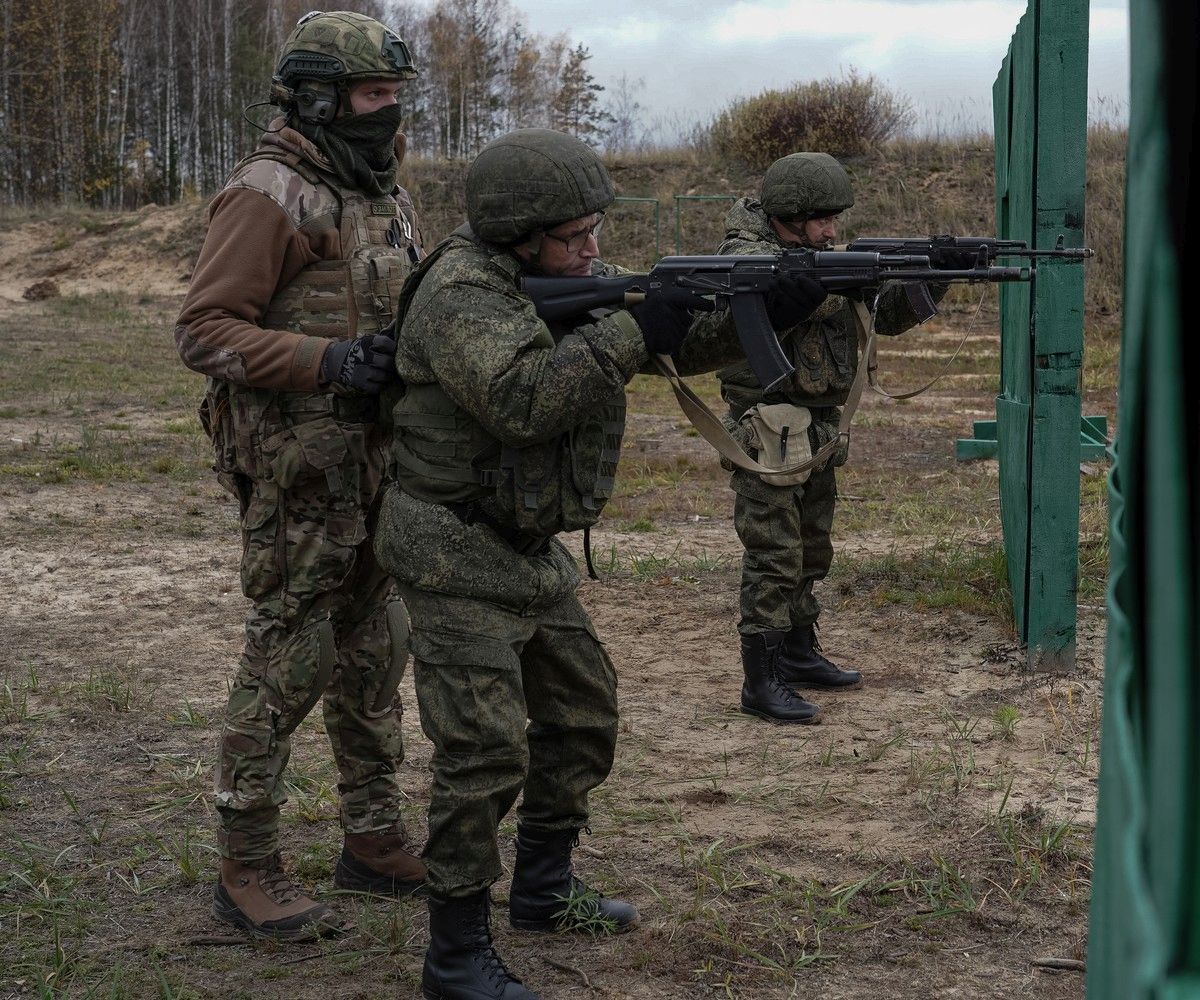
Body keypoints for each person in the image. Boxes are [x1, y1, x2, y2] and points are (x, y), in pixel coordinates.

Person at [375, 127, 823, 1000]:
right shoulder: (462, 294)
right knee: (482, 752)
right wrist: (628, 329)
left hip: (523, 553)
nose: (593, 249)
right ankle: (455, 955)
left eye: (596, 231)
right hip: (451, 553)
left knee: (584, 713)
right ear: (519, 233)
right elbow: (526, 399)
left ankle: (542, 889)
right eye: (575, 236)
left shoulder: (552, 283)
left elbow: (666, 345)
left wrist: (775, 310)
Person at [175, 10, 426, 940]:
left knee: (374, 651)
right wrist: (325, 363)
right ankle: (246, 864)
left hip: (376, 464)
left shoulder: (384, 192)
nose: (388, 113)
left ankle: (372, 840)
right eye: (373, 95)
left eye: (397, 95)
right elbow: (204, 330)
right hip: (297, 473)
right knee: (289, 656)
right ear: (318, 99)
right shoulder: (269, 192)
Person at [716, 152, 947, 725]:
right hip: (767, 427)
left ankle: (797, 652)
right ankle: (760, 681)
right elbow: (755, 306)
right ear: (787, 215)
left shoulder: (823, 257)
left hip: (819, 428)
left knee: (812, 547)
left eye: (835, 218)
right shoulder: (745, 255)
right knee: (774, 554)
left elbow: (883, 315)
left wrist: (933, 275)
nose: (831, 230)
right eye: (820, 219)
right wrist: (817, 280)